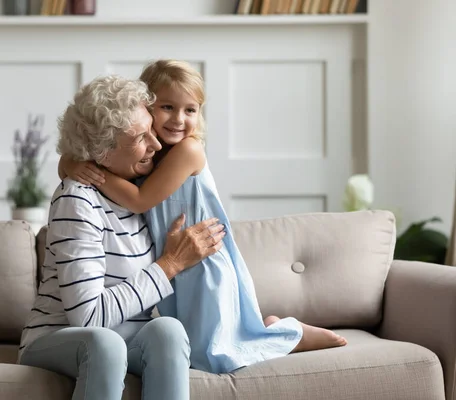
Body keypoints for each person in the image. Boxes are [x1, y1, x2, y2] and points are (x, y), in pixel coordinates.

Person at [61, 60, 348, 374]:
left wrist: (89, 171)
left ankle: (289, 335)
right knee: (190, 350)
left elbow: (141, 201)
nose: (179, 120)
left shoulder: (189, 150)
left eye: (190, 110)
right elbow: (77, 159)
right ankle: (269, 328)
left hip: (202, 259)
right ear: (146, 107)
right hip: (173, 261)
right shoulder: (147, 153)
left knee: (213, 356)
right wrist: (74, 165)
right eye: (168, 107)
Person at [17, 74, 226, 400]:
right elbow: (89, 317)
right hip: (59, 336)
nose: (156, 145)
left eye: (151, 132)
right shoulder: (78, 199)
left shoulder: (139, 189)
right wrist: (169, 264)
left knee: (168, 330)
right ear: (102, 149)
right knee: (105, 341)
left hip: (123, 334)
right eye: (141, 138)